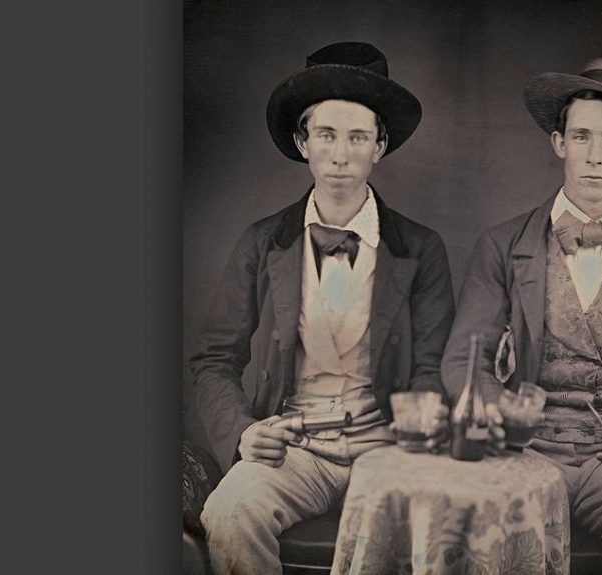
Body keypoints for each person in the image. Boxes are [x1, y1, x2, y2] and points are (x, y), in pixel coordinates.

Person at [192, 42, 455, 575]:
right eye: (326, 134)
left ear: (379, 146)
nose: (340, 154)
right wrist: (243, 430)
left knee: (430, 530)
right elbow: (213, 360)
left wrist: (412, 441)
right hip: (294, 446)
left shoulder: (420, 248)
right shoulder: (263, 242)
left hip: (385, 445)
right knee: (229, 512)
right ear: (301, 141)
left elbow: (432, 369)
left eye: (358, 136)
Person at [441, 57, 602, 575]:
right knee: (496, 526)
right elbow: (461, 363)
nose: (595, 157)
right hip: (523, 454)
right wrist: (504, 425)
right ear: (559, 143)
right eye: (582, 136)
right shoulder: (501, 246)